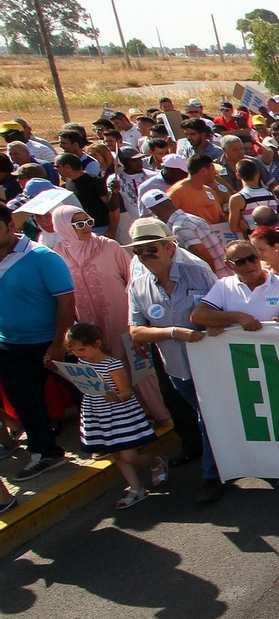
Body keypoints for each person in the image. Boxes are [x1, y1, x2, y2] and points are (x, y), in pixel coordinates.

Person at [125, 217, 222, 502]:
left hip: (211, 364)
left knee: (208, 419)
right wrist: (173, 332)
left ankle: (211, 476)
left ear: (169, 247)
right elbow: (136, 330)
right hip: (177, 368)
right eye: (138, 251)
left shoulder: (198, 270)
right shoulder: (138, 284)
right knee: (206, 419)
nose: (144, 255)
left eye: (151, 248)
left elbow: (221, 307)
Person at [49, 206, 169, 423]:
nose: (85, 227)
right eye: (78, 224)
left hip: (121, 318)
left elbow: (134, 281)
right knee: (104, 369)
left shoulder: (108, 246)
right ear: (63, 227)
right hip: (88, 323)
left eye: (88, 221)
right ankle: (126, 420)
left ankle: (157, 412)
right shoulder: (57, 255)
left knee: (135, 366)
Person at [0, 205, 77, 481]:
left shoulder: (43, 257)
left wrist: (58, 343)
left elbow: (66, 301)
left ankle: (120, 440)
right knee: (26, 402)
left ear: (11, 225)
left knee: (88, 394)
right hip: (11, 346)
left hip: (53, 342)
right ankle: (46, 452)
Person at [64, 322, 166, 509]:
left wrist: (116, 397)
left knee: (128, 456)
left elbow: (127, 392)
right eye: (74, 351)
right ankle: (136, 488)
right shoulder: (82, 362)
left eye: (82, 349)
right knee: (116, 453)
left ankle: (155, 460)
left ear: (96, 344)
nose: (78, 354)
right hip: (98, 412)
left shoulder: (112, 364)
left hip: (119, 413)